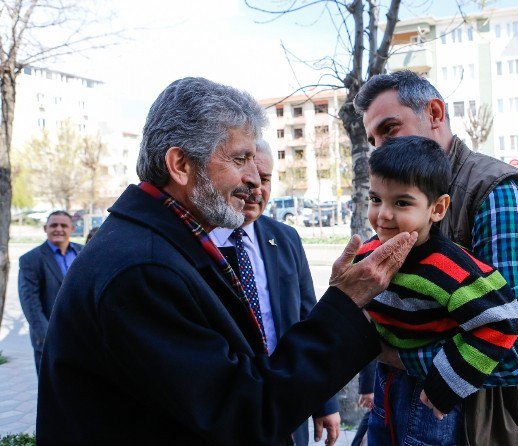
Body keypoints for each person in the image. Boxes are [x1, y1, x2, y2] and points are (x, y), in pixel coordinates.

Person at [36, 77, 418, 445]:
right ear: (181, 165)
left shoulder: (162, 243)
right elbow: (244, 412)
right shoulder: (143, 271)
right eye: (240, 159)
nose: (255, 179)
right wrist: (345, 304)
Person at [354, 70, 518, 445]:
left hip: (503, 419)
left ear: (434, 113)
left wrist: (393, 355)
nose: (380, 147)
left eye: (390, 129)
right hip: (422, 408)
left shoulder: (496, 192)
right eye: (373, 139)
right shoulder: (403, 194)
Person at [354, 136, 518, 445]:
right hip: (385, 381)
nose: (384, 215)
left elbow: (502, 320)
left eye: (402, 203)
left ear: (438, 208)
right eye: (376, 199)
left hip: (428, 394)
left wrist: (448, 379)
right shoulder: (368, 254)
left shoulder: (450, 267)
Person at [208, 139, 341, 446]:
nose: (256, 190)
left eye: (265, 180)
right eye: (247, 179)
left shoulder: (286, 238)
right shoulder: (199, 241)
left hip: (289, 405)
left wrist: (325, 401)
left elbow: (310, 319)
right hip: (230, 409)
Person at [18, 211, 82, 374]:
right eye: (53, 225)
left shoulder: (84, 253)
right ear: (45, 228)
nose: (58, 229)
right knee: (51, 395)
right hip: (49, 340)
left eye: (63, 225)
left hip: (82, 338)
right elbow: (31, 304)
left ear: (72, 229)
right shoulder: (30, 260)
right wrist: (49, 339)